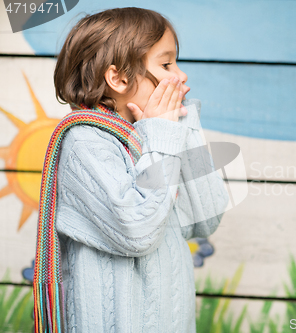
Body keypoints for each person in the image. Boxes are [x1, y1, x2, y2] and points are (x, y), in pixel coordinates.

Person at [33, 7, 229, 333]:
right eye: (166, 64)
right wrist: (163, 135)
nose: (181, 75)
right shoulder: (85, 142)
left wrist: (183, 126)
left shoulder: (152, 138)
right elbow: (136, 232)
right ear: (119, 78)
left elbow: (204, 218)